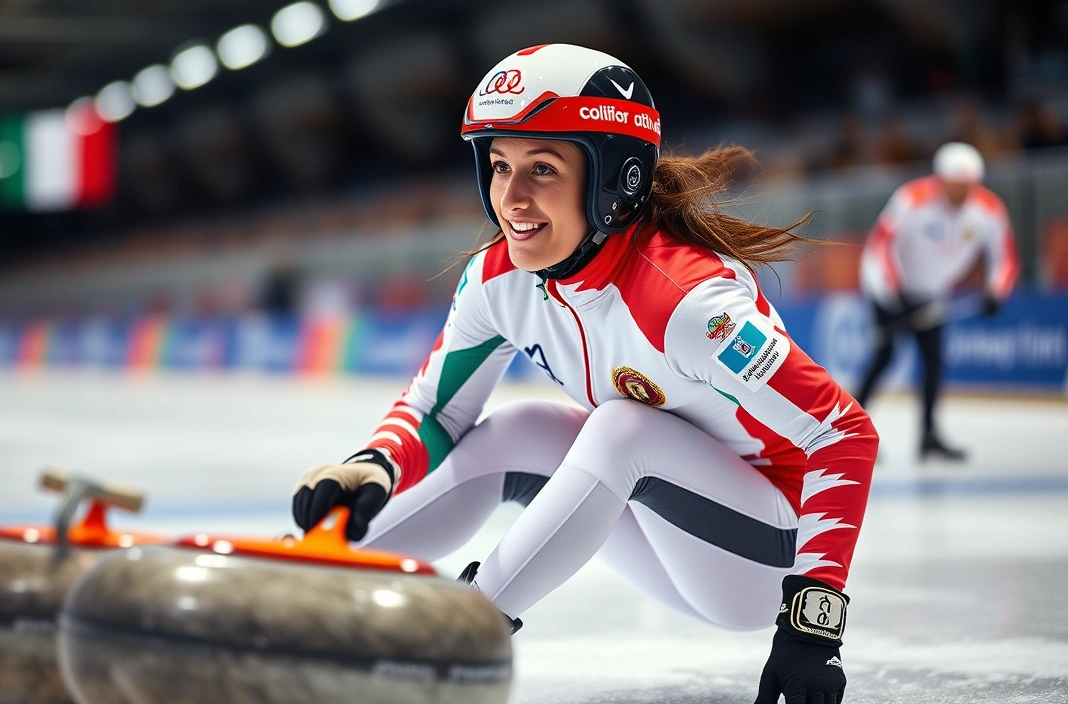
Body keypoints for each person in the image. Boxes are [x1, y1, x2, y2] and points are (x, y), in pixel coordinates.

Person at [292, 44, 878, 704]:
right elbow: (438, 412)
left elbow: (843, 435)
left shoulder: (688, 303)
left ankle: (464, 630)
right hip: (669, 525)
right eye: (499, 164)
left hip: (765, 561)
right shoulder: (497, 280)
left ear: (615, 180)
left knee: (623, 428)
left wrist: (812, 629)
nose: (511, 197)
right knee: (528, 426)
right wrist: (374, 465)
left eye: (542, 168)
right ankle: (301, 575)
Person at [855, 142, 1018, 461]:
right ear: (940, 179)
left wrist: (996, 291)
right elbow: (881, 247)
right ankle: (851, 431)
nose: (961, 194)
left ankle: (929, 435)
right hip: (887, 286)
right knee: (884, 356)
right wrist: (894, 292)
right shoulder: (911, 199)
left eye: (968, 187)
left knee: (933, 360)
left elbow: (1005, 257)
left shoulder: (989, 208)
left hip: (932, 293)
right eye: (956, 186)